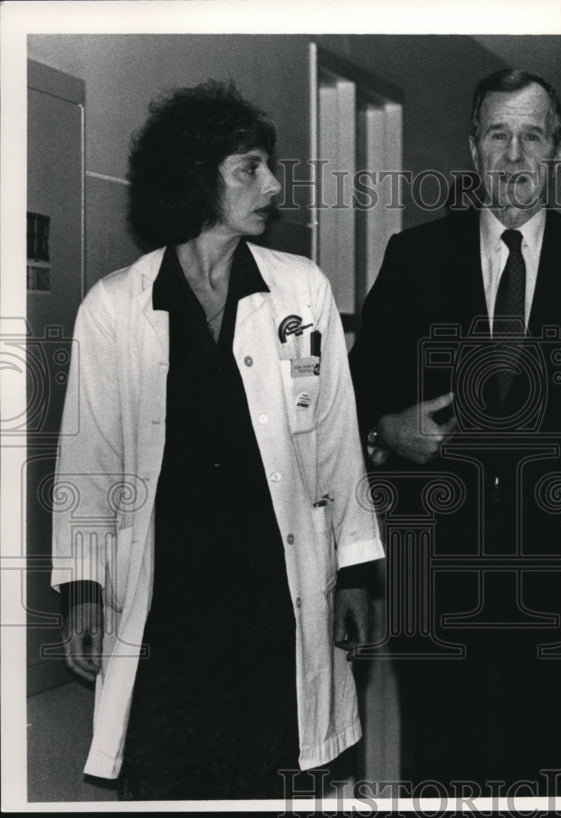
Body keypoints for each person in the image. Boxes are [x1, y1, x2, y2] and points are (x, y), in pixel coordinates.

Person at [51, 80, 383, 800]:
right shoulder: (115, 307)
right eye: (249, 169)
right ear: (197, 180)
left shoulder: (302, 291)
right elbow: (90, 459)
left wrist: (355, 573)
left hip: (275, 593)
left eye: (267, 166)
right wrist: (83, 590)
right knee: (172, 777)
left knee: (278, 777)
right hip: (170, 600)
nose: (271, 185)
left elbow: (335, 441)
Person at [348, 68, 561, 788]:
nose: (514, 156)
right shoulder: (414, 257)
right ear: (473, 149)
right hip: (437, 567)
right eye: (498, 135)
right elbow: (353, 398)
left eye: (531, 137)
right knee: (443, 767)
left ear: (557, 152)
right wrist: (391, 429)